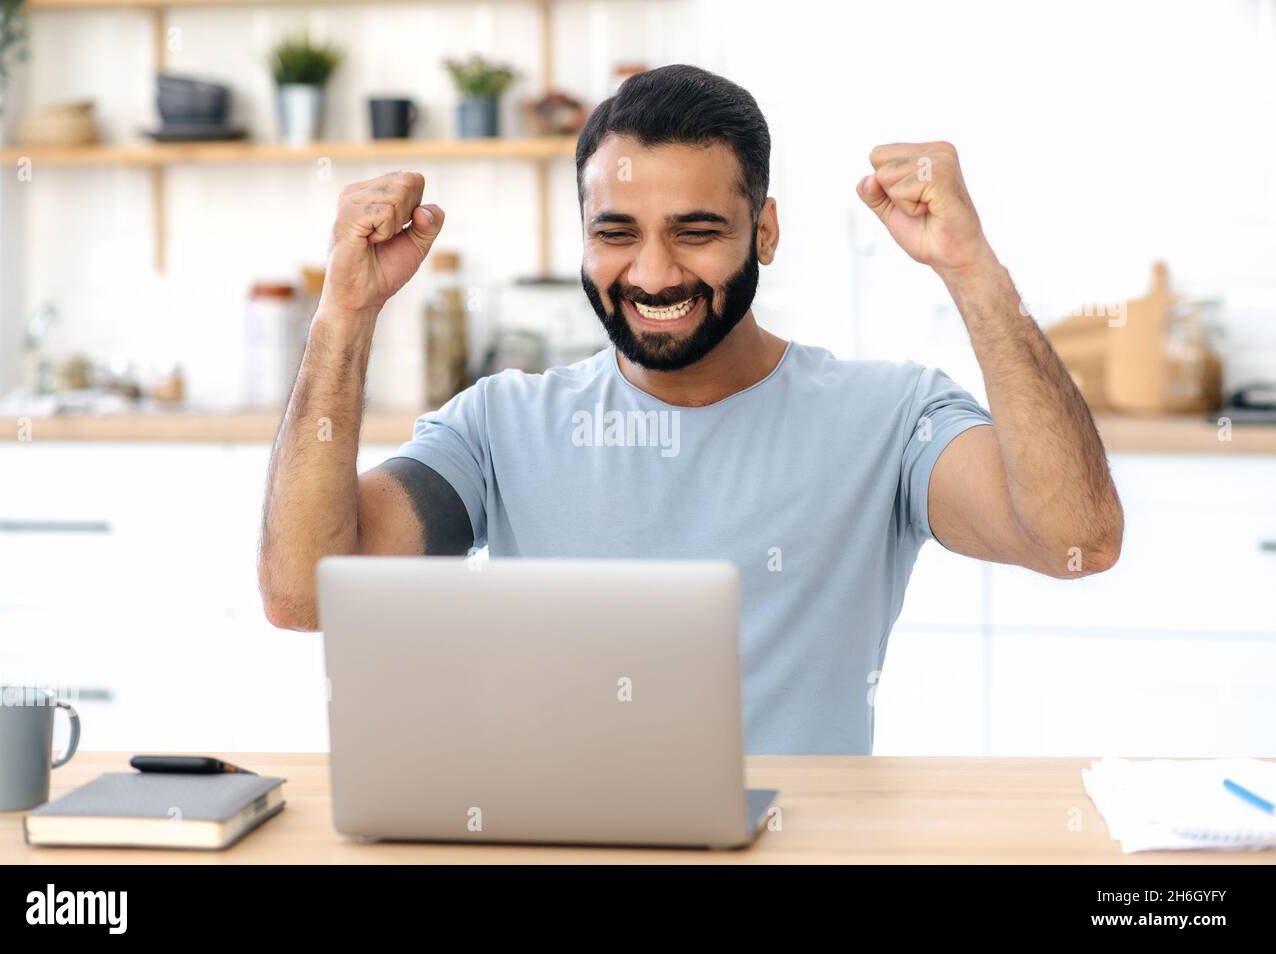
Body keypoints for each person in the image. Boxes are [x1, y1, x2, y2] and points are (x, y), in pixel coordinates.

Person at [258, 64, 1123, 755]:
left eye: (698, 231)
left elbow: (1075, 540)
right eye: (617, 232)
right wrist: (344, 315)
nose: (654, 273)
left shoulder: (890, 420)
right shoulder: (498, 428)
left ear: (766, 232)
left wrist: (972, 271)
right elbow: (305, 593)